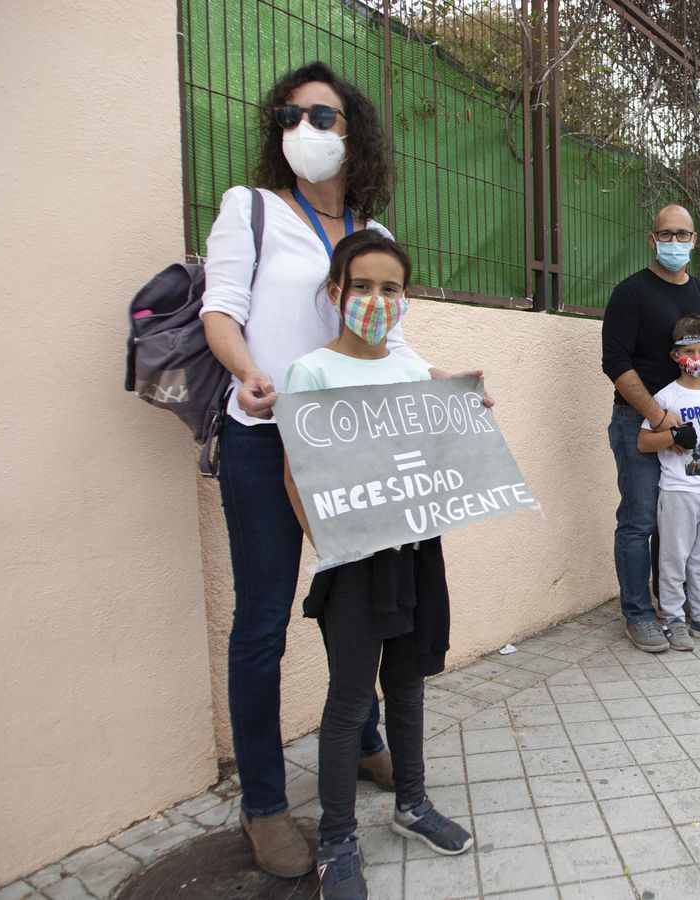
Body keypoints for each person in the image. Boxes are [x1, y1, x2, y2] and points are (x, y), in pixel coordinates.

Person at [200, 61, 446, 877]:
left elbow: (392, 338)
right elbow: (221, 309)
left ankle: (370, 745)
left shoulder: (365, 230)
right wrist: (245, 370)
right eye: (294, 112)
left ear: (356, 133)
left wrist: (445, 394)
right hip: (265, 432)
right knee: (265, 621)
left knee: (367, 599)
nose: (307, 125)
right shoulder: (253, 209)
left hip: (354, 441)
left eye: (326, 115)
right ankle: (265, 804)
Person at [285, 234, 473, 899]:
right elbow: (297, 477)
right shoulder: (312, 372)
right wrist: (332, 542)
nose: (374, 299)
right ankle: (336, 842)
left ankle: (412, 805)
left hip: (415, 554)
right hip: (355, 565)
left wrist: (469, 418)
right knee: (348, 698)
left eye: (389, 288)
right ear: (337, 292)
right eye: (360, 285)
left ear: (405, 298)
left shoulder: (407, 372)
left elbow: (440, 447)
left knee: (410, 683)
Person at [601, 205, 700, 652]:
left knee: (686, 530)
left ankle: (688, 614)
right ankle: (639, 613)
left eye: (683, 235)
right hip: (639, 423)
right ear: (651, 238)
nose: (675, 242)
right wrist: (660, 418)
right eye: (667, 234)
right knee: (640, 521)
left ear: (695, 240)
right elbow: (616, 363)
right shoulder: (631, 293)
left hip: (698, 426)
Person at [637, 315, 700, 650]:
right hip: (678, 491)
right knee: (674, 559)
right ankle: (672, 618)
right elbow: (643, 442)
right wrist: (670, 435)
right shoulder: (666, 397)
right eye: (689, 351)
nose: (696, 358)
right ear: (676, 357)